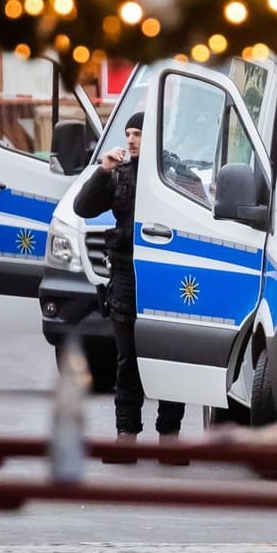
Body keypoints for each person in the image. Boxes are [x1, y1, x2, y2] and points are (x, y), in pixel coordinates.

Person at [74, 113, 185, 440]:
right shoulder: (119, 175)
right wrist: (103, 170)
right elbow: (83, 207)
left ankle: (169, 434)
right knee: (128, 359)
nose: (132, 139)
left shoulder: (175, 176)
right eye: (129, 134)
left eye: (139, 133)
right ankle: (127, 433)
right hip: (126, 275)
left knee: (169, 354)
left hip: (166, 277)